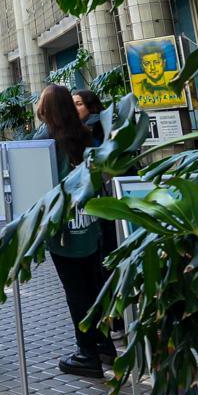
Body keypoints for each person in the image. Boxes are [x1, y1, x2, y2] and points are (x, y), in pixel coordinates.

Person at [36, 83, 118, 377]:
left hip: (63, 231)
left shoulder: (44, 140)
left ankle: (87, 353)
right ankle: (105, 345)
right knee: (95, 288)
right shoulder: (86, 137)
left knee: (76, 292)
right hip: (92, 225)